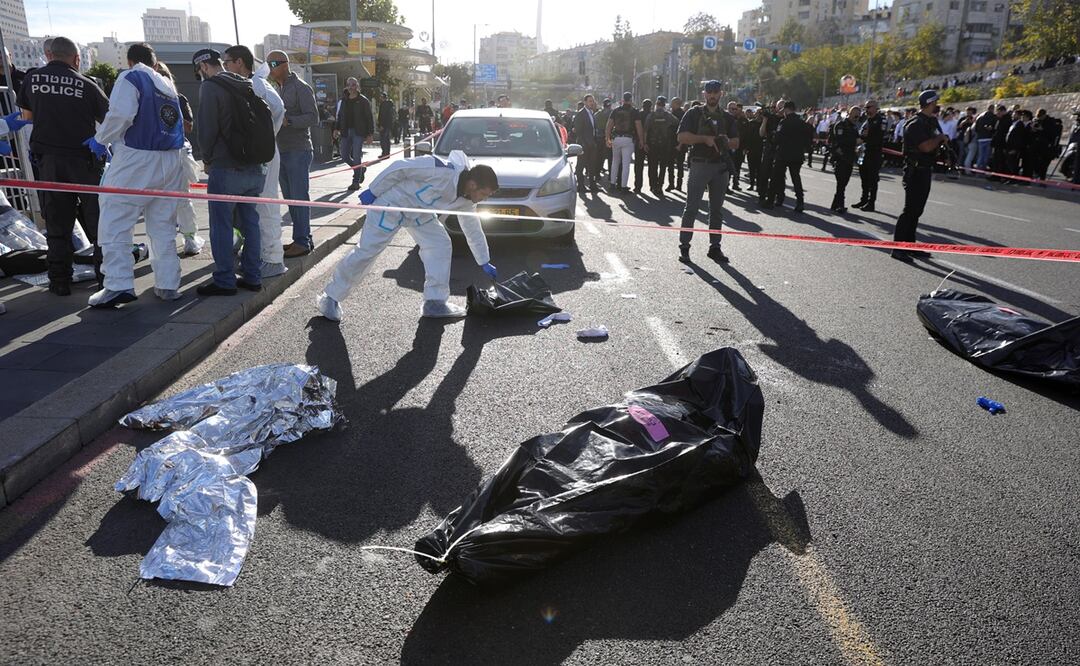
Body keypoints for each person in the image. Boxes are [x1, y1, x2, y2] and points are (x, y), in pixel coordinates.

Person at [316, 151, 499, 321]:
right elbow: (400, 167)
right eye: (484, 194)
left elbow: (472, 228)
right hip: (391, 207)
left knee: (440, 245)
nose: (484, 199)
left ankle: (435, 301)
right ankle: (331, 297)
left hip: (419, 215)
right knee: (367, 252)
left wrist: (483, 260)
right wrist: (374, 190)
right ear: (473, 184)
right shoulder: (440, 170)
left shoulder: (467, 200)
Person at [86, 43, 187, 308]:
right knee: (163, 226)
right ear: (155, 62)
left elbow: (120, 114)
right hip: (170, 161)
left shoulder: (132, 77)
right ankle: (168, 283)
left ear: (130, 61)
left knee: (115, 219)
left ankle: (118, 284)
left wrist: (100, 139)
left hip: (136, 160)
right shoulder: (167, 84)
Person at [15, 36, 106, 297]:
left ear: (49, 55)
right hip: (84, 161)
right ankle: (106, 280)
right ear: (76, 59)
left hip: (49, 163)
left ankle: (59, 281)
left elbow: (26, 118)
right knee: (98, 224)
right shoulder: (87, 84)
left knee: (57, 225)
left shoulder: (32, 79)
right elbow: (109, 119)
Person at [192, 47, 268, 296]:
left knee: (221, 225)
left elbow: (207, 129)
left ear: (204, 66)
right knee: (250, 223)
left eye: (199, 70)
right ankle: (253, 276)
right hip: (254, 166)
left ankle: (225, 280)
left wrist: (207, 159)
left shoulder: (210, 87)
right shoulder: (245, 83)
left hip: (226, 167)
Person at [224, 44, 288, 278]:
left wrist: (264, 135)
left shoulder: (256, 84)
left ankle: (272, 259)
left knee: (266, 205)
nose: (225, 67)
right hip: (260, 152)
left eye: (227, 62)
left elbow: (278, 109)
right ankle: (263, 255)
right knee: (257, 206)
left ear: (239, 62)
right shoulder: (251, 84)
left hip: (264, 153)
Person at [675, 80, 739, 264]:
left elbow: (736, 142)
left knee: (717, 210)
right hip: (700, 164)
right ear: (704, 94)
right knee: (691, 208)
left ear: (721, 94)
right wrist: (704, 139)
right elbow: (681, 137)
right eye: (709, 92)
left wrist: (726, 141)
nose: (712, 95)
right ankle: (684, 247)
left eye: (715, 92)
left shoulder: (727, 117)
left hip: (720, 167)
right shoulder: (694, 113)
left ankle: (715, 247)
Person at [267, 51, 318, 258]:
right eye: (268, 64)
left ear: (285, 64)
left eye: (273, 63)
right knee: (291, 199)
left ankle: (302, 241)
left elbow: (313, 117)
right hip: (281, 151)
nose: (270, 68)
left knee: (299, 198)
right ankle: (303, 238)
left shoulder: (301, 87)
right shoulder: (274, 88)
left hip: (298, 150)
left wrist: (290, 121)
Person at [893, 90, 948, 263]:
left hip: (925, 169)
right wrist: (939, 138)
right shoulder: (915, 123)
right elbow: (925, 147)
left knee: (917, 211)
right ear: (930, 103)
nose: (937, 105)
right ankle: (898, 248)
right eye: (935, 102)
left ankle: (910, 245)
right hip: (915, 171)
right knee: (910, 210)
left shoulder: (930, 121)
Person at [765, 101, 811, 212]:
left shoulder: (784, 122)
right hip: (797, 155)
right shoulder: (802, 123)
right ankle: (800, 202)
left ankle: (770, 201)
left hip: (783, 154)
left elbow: (777, 138)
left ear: (786, 109)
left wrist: (773, 141)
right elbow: (808, 138)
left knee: (776, 178)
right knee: (796, 179)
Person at [334, 77, 374, 191]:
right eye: (349, 85)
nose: (351, 87)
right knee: (344, 156)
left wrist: (370, 134)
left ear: (357, 86)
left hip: (358, 132)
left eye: (354, 85)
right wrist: (336, 129)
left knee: (356, 156)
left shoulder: (363, 101)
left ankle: (355, 182)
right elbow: (340, 116)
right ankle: (361, 169)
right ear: (347, 87)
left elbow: (369, 117)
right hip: (345, 131)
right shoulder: (343, 100)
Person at [606, 92, 643, 193]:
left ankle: (612, 184)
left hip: (616, 139)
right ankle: (623, 186)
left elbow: (609, 125)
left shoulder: (616, 111)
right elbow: (639, 127)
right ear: (631, 100)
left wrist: (607, 138)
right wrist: (641, 140)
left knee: (615, 162)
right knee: (626, 164)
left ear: (623, 100)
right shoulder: (634, 112)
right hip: (628, 139)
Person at [828, 105, 860, 213]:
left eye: (858, 116)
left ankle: (835, 204)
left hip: (850, 157)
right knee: (841, 182)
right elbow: (840, 140)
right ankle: (840, 205)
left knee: (844, 182)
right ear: (849, 114)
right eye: (855, 116)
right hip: (840, 157)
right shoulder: (841, 125)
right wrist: (855, 141)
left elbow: (858, 139)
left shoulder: (854, 127)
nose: (856, 118)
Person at [644, 95, 677, 198]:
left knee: (652, 166)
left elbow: (645, 130)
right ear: (664, 105)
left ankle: (653, 185)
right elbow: (677, 123)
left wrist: (644, 143)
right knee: (662, 167)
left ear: (656, 104)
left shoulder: (651, 115)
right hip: (665, 144)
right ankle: (659, 186)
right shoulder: (669, 116)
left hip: (652, 144)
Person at [855, 100, 885, 212]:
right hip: (864, 153)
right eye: (865, 108)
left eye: (868, 107)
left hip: (874, 154)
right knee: (864, 178)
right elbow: (862, 134)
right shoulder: (867, 121)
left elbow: (878, 137)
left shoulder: (880, 120)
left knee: (872, 180)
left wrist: (867, 135)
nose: (866, 110)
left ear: (875, 108)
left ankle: (871, 203)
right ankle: (864, 199)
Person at [757, 99, 784, 204]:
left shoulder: (786, 120)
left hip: (781, 150)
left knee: (779, 175)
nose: (780, 109)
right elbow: (761, 134)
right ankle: (762, 195)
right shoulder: (771, 118)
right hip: (769, 149)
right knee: (764, 173)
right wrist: (764, 120)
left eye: (782, 107)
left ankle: (779, 197)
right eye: (778, 107)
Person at [573, 94, 599, 193]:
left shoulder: (591, 113)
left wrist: (594, 142)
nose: (592, 103)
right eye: (590, 101)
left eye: (593, 101)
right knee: (581, 165)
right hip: (583, 145)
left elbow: (593, 129)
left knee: (592, 165)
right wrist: (583, 143)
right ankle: (581, 186)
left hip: (592, 144)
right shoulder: (581, 114)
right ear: (585, 102)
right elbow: (578, 131)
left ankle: (593, 185)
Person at [633, 98, 652, 194]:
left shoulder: (638, 114)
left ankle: (637, 186)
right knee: (652, 165)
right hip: (650, 143)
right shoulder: (652, 115)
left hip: (639, 142)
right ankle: (653, 185)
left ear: (642, 106)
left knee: (638, 166)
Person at [742, 107, 762, 192]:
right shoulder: (751, 123)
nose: (758, 114)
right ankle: (751, 184)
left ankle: (759, 185)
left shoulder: (764, 123)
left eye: (760, 113)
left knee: (759, 169)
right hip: (751, 148)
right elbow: (747, 136)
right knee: (751, 167)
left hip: (761, 149)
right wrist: (745, 148)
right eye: (757, 112)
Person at [668, 97, 687, 191]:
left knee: (679, 165)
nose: (671, 105)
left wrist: (680, 144)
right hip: (671, 143)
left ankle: (678, 184)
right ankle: (672, 184)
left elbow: (685, 130)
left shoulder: (683, 115)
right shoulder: (671, 113)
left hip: (680, 143)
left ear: (676, 104)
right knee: (671, 165)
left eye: (672, 103)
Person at [973, 103, 996, 170]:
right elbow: (994, 128)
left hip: (980, 138)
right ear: (992, 109)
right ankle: (983, 169)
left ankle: (978, 170)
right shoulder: (993, 116)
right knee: (986, 156)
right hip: (988, 138)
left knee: (980, 155)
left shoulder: (980, 117)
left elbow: (976, 128)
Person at [594, 98, 613, 177]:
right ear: (610, 105)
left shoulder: (597, 114)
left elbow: (594, 126)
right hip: (609, 137)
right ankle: (611, 175)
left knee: (599, 156)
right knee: (610, 157)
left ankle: (597, 173)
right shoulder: (612, 113)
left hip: (599, 138)